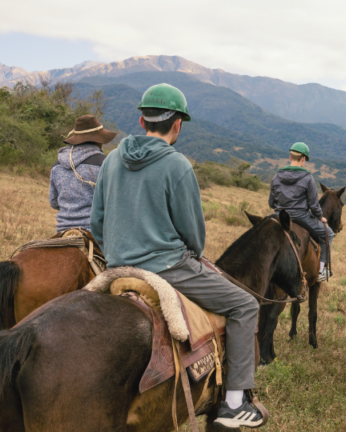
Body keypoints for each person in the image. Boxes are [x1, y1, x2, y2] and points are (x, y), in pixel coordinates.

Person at [91, 83, 265, 428]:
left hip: (116, 266)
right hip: (168, 268)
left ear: (142, 121)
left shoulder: (111, 159)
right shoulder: (177, 165)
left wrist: (117, 252)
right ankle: (233, 402)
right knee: (246, 305)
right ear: (177, 125)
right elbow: (193, 235)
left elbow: (96, 221)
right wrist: (191, 254)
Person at [268, 142, 335, 282]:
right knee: (329, 233)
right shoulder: (307, 178)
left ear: (290, 156)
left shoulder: (276, 177)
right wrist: (320, 217)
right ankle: (322, 270)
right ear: (303, 158)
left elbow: (271, 203)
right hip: (301, 218)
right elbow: (313, 204)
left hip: (279, 216)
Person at [49, 115, 116, 233]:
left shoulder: (57, 165)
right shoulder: (104, 164)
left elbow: (54, 202)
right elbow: (113, 204)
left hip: (63, 230)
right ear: (99, 141)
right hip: (96, 231)